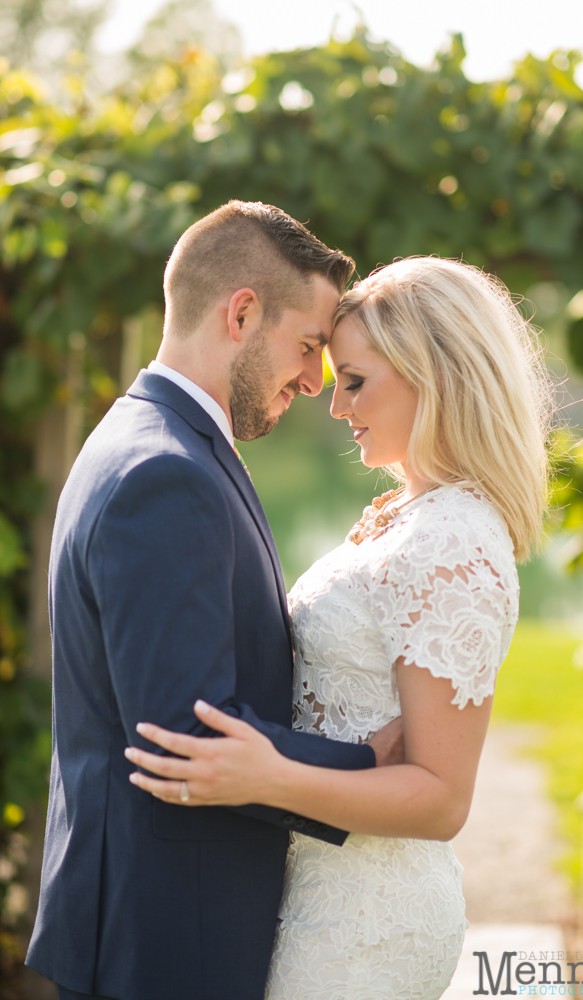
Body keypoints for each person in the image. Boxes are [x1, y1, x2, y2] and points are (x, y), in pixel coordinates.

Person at [127, 256, 551, 1000]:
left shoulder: (451, 538)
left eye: (354, 380)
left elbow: (443, 799)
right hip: (314, 892)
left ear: (438, 375)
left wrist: (270, 776)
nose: (334, 404)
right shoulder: (412, 516)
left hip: (366, 923)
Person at [25, 200, 404, 1000]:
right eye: (307, 347)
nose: (313, 380)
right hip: (166, 939)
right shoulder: (165, 474)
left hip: (152, 918)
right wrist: (371, 764)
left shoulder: (148, 439)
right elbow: (184, 738)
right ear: (241, 313)